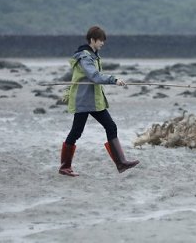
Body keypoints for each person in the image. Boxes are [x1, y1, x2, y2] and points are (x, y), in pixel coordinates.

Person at [59, 26, 139, 177]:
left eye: (103, 40)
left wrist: (113, 80)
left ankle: (121, 163)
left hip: (95, 102)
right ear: (92, 40)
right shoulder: (84, 57)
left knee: (111, 126)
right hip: (83, 101)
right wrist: (114, 80)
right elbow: (95, 76)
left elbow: (96, 77)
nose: (102, 43)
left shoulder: (93, 55)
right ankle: (64, 167)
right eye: (100, 40)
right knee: (76, 132)